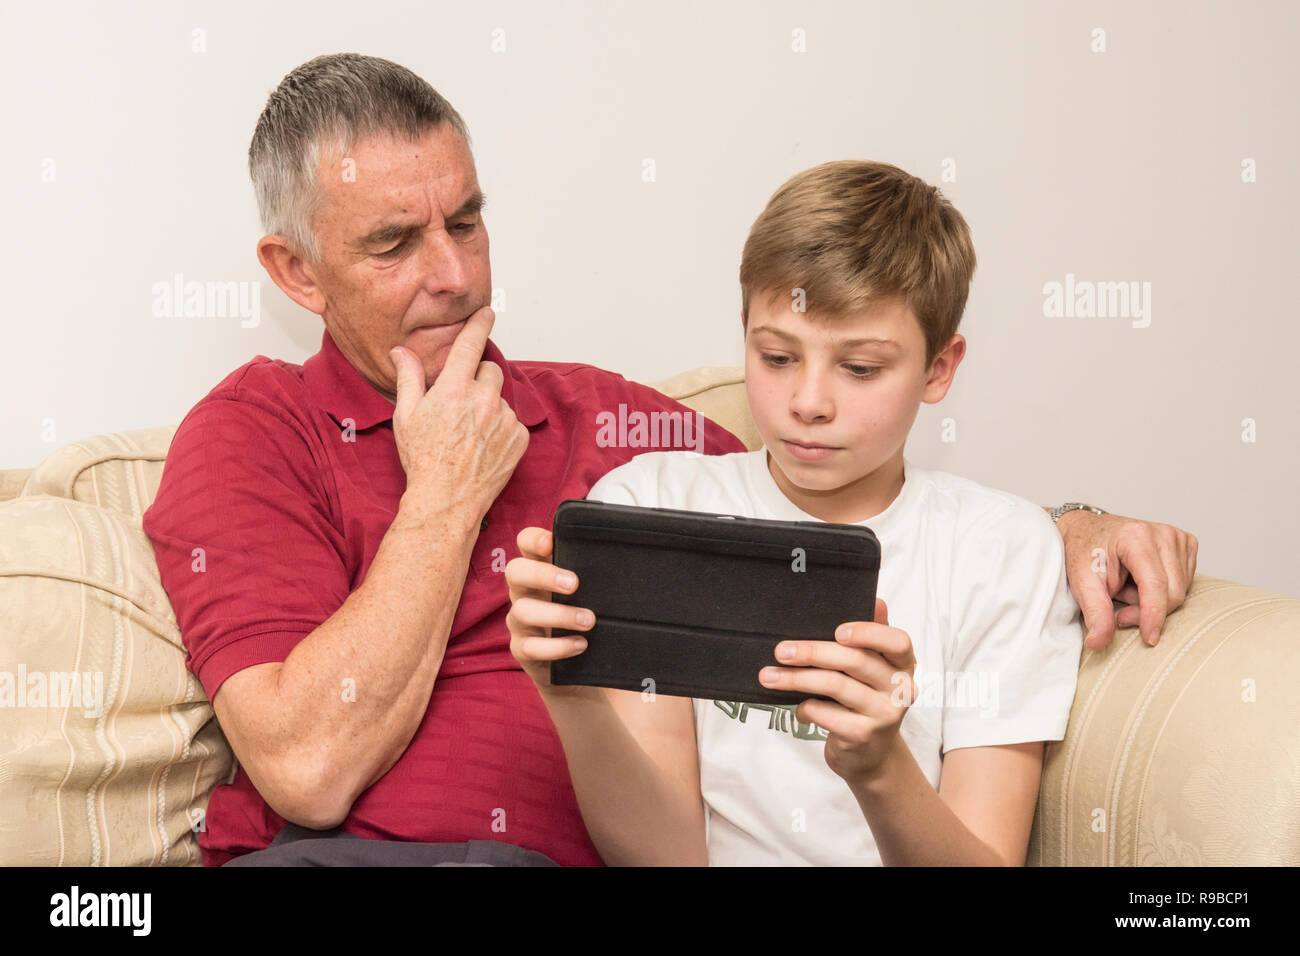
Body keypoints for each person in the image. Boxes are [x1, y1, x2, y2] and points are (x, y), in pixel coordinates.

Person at [143, 53, 1197, 866]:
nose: (456, 274)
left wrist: (1068, 528)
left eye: (466, 221)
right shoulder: (253, 435)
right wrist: (448, 495)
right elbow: (306, 768)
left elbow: (819, 481)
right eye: (393, 244)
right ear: (297, 271)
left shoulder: (611, 428)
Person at [503, 160, 1167, 865]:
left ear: (940, 368)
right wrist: (571, 698)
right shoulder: (656, 504)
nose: (809, 402)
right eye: (778, 356)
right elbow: (665, 856)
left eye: (860, 368)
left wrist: (879, 766)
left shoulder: (1002, 551)